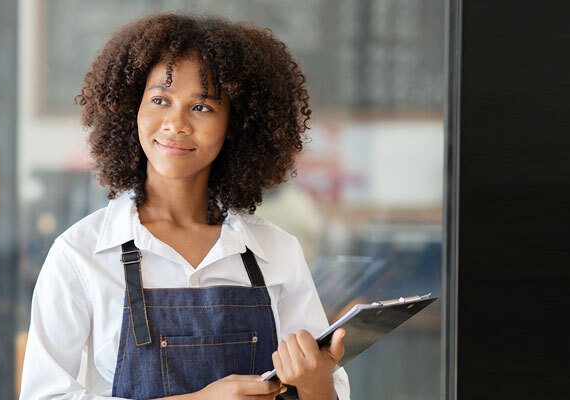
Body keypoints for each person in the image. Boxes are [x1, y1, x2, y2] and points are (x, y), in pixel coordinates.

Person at [19, 13, 350, 400]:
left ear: (237, 125)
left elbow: (331, 392)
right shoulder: (79, 255)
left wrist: (314, 382)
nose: (176, 124)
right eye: (160, 100)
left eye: (203, 108)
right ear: (132, 109)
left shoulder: (276, 252)